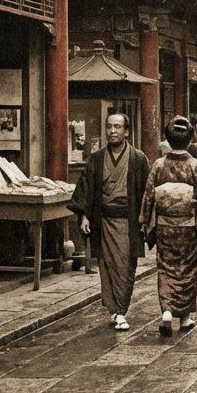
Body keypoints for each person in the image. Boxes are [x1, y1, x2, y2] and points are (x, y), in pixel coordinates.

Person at [140, 116, 197, 337]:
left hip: (164, 227)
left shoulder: (158, 165)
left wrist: (144, 220)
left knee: (166, 268)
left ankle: (167, 312)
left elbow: (149, 196)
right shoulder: (195, 166)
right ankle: (185, 317)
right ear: (189, 140)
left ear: (168, 140)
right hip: (188, 227)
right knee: (188, 270)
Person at [69, 112, 149, 331]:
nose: (112, 131)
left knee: (124, 266)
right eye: (108, 127)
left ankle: (121, 309)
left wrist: (145, 219)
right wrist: (84, 215)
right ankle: (115, 311)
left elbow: (146, 193)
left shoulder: (138, 158)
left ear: (127, 131)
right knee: (106, 265)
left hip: (127, 221)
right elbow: (86, 189)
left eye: (117, 127)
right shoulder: (96, 159)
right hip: (103, 220)